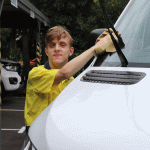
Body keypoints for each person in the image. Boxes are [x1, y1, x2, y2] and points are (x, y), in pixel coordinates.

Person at [24, 26, 112, 134]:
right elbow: (64, 73)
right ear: (46, 51)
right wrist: (95, 48)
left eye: (62, 44)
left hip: (60, 132)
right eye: (52, 45)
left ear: (71, 51)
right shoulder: (36, 74)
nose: (56, 48)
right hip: (37, 133)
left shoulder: (71, 81)